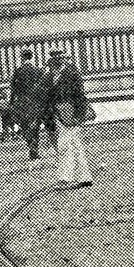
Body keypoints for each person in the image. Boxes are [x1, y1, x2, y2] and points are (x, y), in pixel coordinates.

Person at [48, 47, 94, 188]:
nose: (57, 61)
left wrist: (78, 114)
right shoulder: (52, 75)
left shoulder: (71, 73)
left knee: (65, 145)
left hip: (69, 112)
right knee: (74, 144)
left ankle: (66, 177)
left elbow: (79, 95)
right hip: (60, 112)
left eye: (59, 58)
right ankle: (84, 176)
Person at [8, 47, 47, 159]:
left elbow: (13, 88)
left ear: (22, 57)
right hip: (35, 102)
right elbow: (42, 88)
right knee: (35, 125)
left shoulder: (18, 71)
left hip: (22, 102)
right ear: (31, 56)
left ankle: (31, 146)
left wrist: (11, 103)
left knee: (24, 125)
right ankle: (35, 149)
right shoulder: (38, 70)